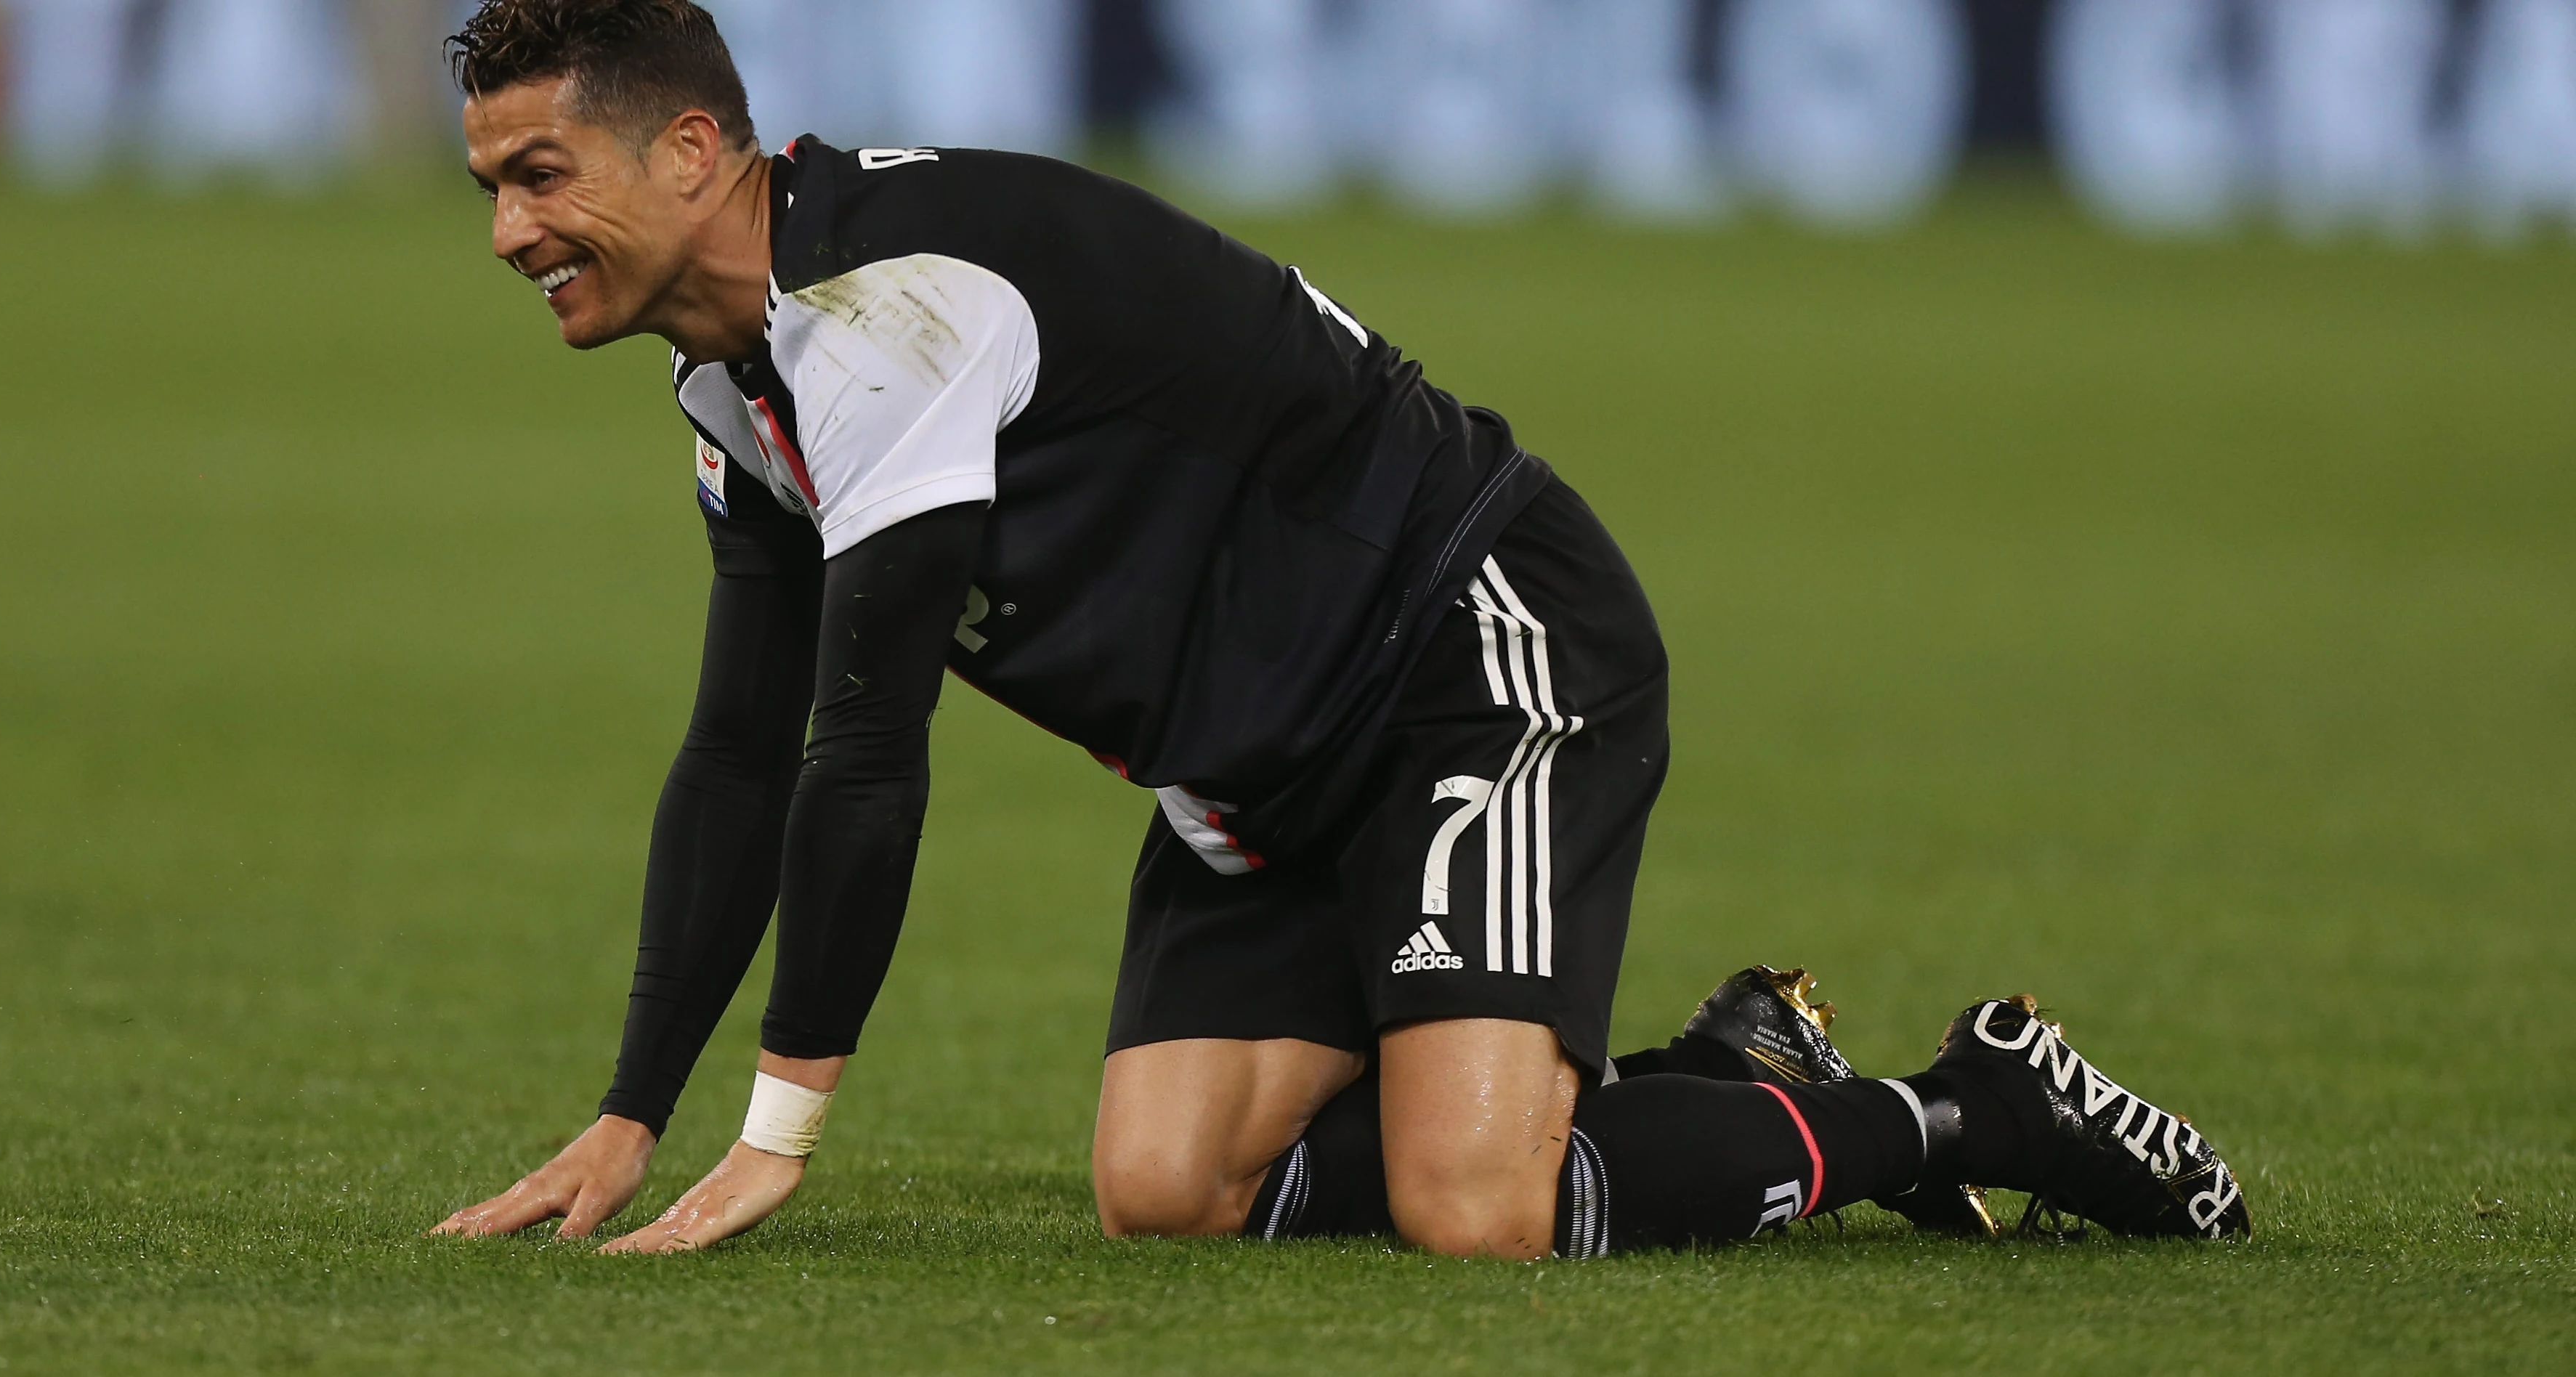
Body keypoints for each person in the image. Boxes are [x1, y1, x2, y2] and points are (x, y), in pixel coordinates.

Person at [429, 0, 2251, 1260]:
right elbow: (741, 752)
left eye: (538, 174)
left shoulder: (892, 307)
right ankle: (1731, 1083)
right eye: (491, 184)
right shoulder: (737, 390)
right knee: (1166, 1188)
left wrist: (778, 1131)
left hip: (1468, 654)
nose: (510, 229)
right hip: (1258, 769)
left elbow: (865, 748)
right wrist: (630, 1109)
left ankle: (1963, 1114)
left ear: (690, 150)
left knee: (1481, 1210)